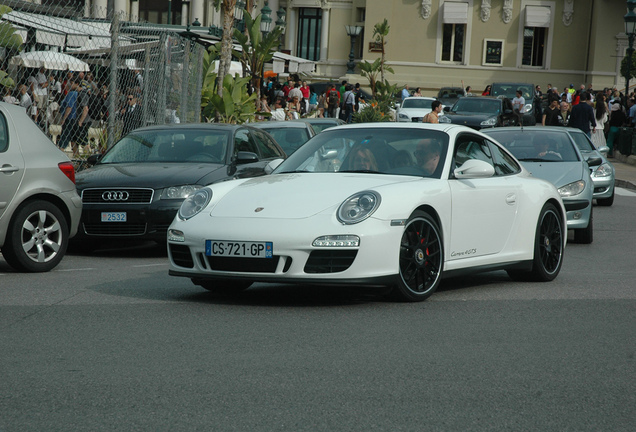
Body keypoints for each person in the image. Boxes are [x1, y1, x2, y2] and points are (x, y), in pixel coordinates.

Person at [59, 79, 80, 156]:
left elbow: (69, 107)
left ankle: (60, 155)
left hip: (69, 118)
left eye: (71, 83)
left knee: (64, 137)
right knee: (73, 139)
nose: (69, 84)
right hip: (76, 118)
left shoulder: (71, 94)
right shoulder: (77, 93)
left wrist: (64, 119)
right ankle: (77, 155)